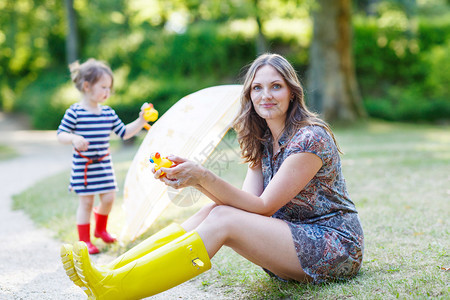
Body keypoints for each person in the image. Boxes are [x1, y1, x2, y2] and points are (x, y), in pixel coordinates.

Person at [61, 53, 364, 299]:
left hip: (333, 246)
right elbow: (248, 203)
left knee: (224, 219)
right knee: (215, 211)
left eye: (276, 86)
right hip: (289, 242)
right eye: (257, 87)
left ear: (292, 92)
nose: (265, 95)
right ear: (249, 94)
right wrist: (193, 177)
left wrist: (202, 177)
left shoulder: (310, 139)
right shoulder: (262, 142)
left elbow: (264, 208)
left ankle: (118, 290)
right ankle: (110, 273)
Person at [57, 58, 148, 254]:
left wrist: (141, 121)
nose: (108, 92)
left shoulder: (108, 113)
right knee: (87, 202)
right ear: (87, 86)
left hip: (103, 165)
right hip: (84, 167)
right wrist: (73, 138)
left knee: (108, 198)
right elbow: (61, 134)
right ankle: (84, 242)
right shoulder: (75, 112)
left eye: (109, 88)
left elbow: (124, 132)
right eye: (104, 87)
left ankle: (100, 230)